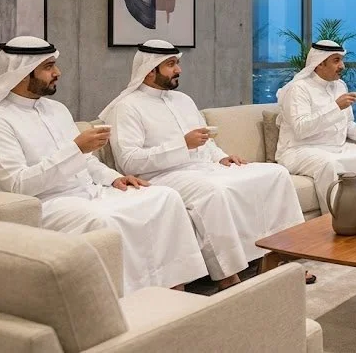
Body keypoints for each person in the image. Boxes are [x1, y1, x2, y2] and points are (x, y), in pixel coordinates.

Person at [0, 36, 207, 294]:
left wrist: (113, 178)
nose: (58, 72)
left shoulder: (56, 109)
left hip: (89, 193)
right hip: (47, 203)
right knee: (103, 221)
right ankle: (126, 301)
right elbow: (17, 185)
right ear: (21, 74)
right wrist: (76, 149)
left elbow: (85, 160)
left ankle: (175, 289)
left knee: (164, 197)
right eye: (48, 67)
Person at [100, 40, 312, 288]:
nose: (178, 70)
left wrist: (220, 156)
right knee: (214, 192)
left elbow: (205, 141)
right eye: (171, 65)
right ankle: (228, 275)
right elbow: (129, 161)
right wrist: (182, 145)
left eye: (177, 63)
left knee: (275, 173)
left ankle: (279, 256)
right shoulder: (127, 107)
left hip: (204, 167)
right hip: (163, 175)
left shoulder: (183, 100)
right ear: (149, 70)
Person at [275, 40, 356, 212]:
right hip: (299, 150)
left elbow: (346, 123)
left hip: (336, 147)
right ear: (319, 64)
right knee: (330, 165)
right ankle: (341, 221)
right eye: (336, 61)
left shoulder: (340, 86)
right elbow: (301, 129)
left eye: (342, 60)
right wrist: (336, 107)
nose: (342, 65)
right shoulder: (298, 89)